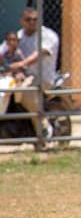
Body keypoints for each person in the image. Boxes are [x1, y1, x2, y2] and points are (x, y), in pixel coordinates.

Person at [9, 7, 60, 140]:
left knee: (26, 91)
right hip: (23, 76)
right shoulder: (19, 35)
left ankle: (43, 126)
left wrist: (21, 64)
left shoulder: (48, 36)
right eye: (28, 19)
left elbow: (38, 54)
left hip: (43, 79)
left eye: (35, 19)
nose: (32, 22)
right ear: (22, 21)